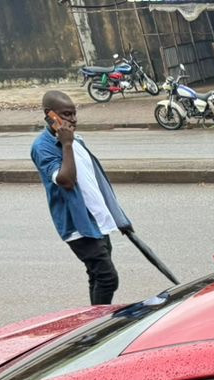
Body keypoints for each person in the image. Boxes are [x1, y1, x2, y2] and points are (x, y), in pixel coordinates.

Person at [30, 91, 131, 305]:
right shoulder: (43, 147)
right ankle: (97, 323)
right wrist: (66, 144)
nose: (73, 120)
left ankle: (94, 321)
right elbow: (66, 180)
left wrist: (117, 218)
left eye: (74, 114)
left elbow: (95, 183)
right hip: (78, 226)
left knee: (96, 275)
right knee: (107, 278)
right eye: (66, 114)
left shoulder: (78, 140)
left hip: (97, 221)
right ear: (50, 115)